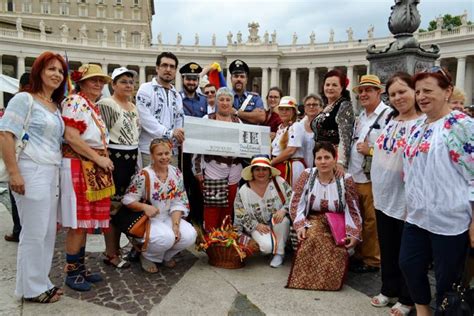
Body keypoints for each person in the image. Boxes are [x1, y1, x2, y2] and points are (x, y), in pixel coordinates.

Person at [400, 67, 473, 315]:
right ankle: (423, 310)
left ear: (448, 91)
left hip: (450, 219)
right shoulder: (418, 125)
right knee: (408, 264)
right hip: (417, 215)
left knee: (447, 280)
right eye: (418, 91)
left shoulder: (461, 125)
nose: (421, 96)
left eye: (428, 90)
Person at [0, 51, 67, 303]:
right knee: (33, 232)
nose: (56, 75)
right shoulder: (24, 99)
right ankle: (31, 288)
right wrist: (14, 172)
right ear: (39, 71)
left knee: (48, 232)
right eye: (51, 69)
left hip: (51, 171)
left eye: (60, 71)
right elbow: (6, 134)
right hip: (31, 169)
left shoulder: (54, 105)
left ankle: (42, 281)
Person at [60, 64, 115, 292]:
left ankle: (79, 268)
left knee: (85, 221)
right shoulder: (74, 102)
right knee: (78, 222)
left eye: (101, 81)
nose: (99, 84)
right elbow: (71, 137)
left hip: (91, 165)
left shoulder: (90, 105)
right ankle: (71, 271)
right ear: (81, 81)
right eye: (93, 80)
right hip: (79, 164)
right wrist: (98, 158)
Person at [370, 72, 420, 316]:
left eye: (403, 91)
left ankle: (407, 297)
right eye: (393, 94)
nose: (398, 97)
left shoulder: (422, 122)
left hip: (407, 200)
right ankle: (388, 288)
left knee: (407, 253)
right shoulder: (392, 119)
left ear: (414, 91)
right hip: (383, 197)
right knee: (387, 248)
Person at [286, 141, 362, 290]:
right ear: (314, 160)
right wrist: (300, 224)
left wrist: (354, 233)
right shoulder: (307, 175)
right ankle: (305, 281)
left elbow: (354, 209)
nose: (323, 162)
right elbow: (295, 202)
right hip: (314, 219)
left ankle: (329, 284)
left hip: (339, 222)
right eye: (319, 158)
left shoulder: (346, 180)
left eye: (327, 157)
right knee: (312, 237)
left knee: (337, 246)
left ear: (334, 159)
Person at [122, 139, 197, 273]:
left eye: (167, 153)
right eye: (159, 154)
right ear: (152, 156)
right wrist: (145, 207)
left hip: (168, 215)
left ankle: (164, 256)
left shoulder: (176, 173)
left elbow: (179, 201)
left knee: (189, 235)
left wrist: (175, 225)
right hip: (149, 219)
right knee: (166, 238)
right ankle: (147, 256)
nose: (164, 157)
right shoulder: (144, 175)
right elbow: (128, 199)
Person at [97, 67, 140, 269]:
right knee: (111, 209)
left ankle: (115, 249)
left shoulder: (133, 106)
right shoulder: (106, 104)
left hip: (130, 160)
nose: (128, 85)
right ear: (113, 85)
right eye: (123, 81)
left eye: (131, 82)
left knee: (122, 207)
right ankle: (111, 253)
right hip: (114, 159)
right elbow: (99, 133)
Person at [348, 74, 391, 274]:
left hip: (372, 176)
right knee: (359, 216)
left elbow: (394, 149)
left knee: (372, 220)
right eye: (361, 91)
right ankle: (359, 253)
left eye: (368, 90)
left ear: (379, 92)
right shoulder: (361, 116)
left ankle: (373, 259)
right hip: (355, 175)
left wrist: (371, 151)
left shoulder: (389, 116)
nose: (363, 94)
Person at [193, 87, 243, 231]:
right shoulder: (207, 119)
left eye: (228, 100)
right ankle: (211, 238)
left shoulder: (237, 121)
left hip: (234, 169)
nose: (225, 103)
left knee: (228, 205)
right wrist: (197, 171)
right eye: (221, 99)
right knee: (212, 206)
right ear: (216, 101)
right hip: (212, 168)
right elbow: (196, 147)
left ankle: (225, 239)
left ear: (232, 103)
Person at [234, 155, 292, 268]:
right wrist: (255, 225)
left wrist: (284, 210)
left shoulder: (279, 182)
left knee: (283, 221)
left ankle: (279, 253)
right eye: (257, 169)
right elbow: (239, 212)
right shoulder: (244, 190)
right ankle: (273, 246)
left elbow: (293, 198)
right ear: (252, 171)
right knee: (266, 248)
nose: (261, 172)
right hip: (258, 226)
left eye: (264, 169)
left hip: (277, 222)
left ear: (269, 171)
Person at [136, 52, 184, 167]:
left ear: (176, 70)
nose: (168, 69)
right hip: (149, 151)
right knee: (149, 184)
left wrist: (179, 135)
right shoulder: (145, 89)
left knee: (171, 184)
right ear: (157, 68)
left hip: (171, 152)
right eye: (164, 65)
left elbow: (179, 119)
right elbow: (145, 119)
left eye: (172, 66)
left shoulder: (177, 95)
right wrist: (170, 133)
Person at [311, 69, 354, 177]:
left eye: (334, 85)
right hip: (320, 156)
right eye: (327, 84)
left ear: (342, 88)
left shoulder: (344, 106)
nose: (330, 88)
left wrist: (340, 162)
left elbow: (345, 136)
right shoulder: (328, 106)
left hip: (332, 159)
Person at [179, 62, 206, 226]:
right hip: (182, 150)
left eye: (194, 79)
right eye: (188, 79)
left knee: (198, 187)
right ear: (183, 79)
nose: (191, 82)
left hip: (199, 151)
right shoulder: (176, 98)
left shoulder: (204, 101)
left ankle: (197, 222)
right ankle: (183, 221)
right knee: (182, 184)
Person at [4, 72, 30, 243]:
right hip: (23, 156)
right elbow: (5, 133)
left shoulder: (19, 98)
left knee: (17, 199)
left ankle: (19, 230)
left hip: (19, 155)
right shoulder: (24, 100)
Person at [270, 96, 305, 188]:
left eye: (287, 109)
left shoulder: (296, 126)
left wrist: (271, 163)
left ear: (293, 112)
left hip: (291, 167)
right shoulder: (280, 127)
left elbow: (291, 150)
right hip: (279, 165)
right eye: (281, 109)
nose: (284, 112)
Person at [229, 59, 265, 125]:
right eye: (236, 76)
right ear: (231, 79)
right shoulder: (224, 98)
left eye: (242, 77)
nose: (239, 79)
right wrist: (251, 115)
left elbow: (261, 117)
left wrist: (237, 113)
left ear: (246, 80)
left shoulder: (255, 98)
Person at [299, 94, 323, 168]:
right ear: (305, 108)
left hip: (320, 165)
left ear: (321, 107)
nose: (311, 107)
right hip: (302, 166)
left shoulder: (325, 123)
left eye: (315, 104)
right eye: (308, 105)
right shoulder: (299, 125)